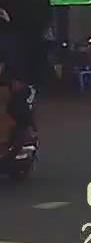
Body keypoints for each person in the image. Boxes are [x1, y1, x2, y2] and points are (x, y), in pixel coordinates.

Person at [0, 9, 43, 149]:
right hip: (11, 80)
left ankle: (26, 138)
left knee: (18, 105)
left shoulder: (12, 40)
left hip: (11, 81)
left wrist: (15, 79)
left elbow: (16, 61)